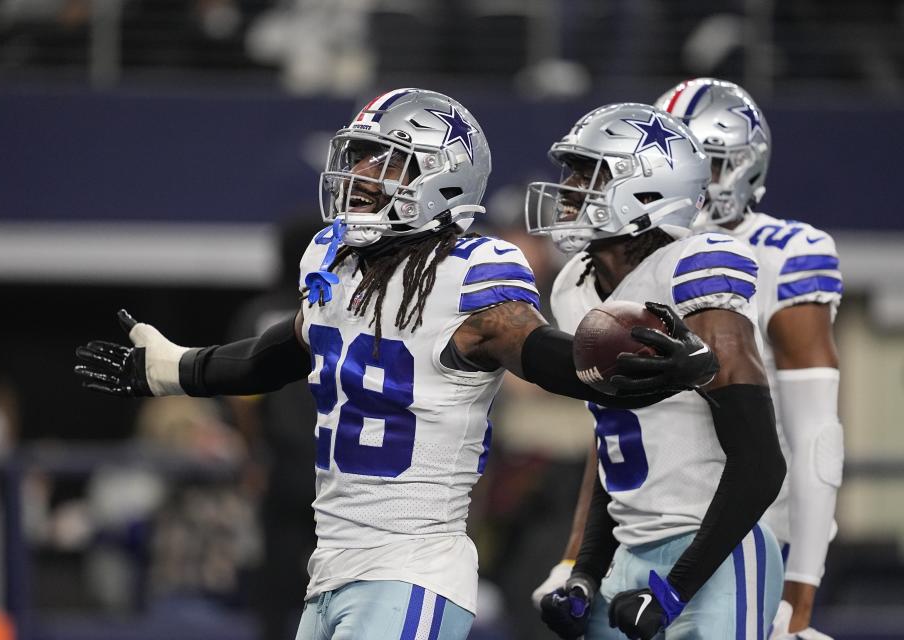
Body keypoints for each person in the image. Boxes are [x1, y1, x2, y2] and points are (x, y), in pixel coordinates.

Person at [74, 88, 718, 640]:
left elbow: (538, 350)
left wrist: (621, 363)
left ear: (439, 178)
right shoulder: (338, 263)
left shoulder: (469, 276)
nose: (357, 174)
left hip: (412, 567)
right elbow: (282, 352)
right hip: (332, 565)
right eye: (356, 158)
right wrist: (174, 369)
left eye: (382, 162)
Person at [525, 102, 786, 639]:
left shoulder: (695, 267)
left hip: (717, 554)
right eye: (571, 171)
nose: (569, 187)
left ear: (646, 191)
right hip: (629, 548)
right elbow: (615, 446)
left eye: (588, 173)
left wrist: (676, 587)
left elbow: (761, 462)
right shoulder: (574, 286)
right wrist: (586, 572)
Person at [656, 78, 844, 640]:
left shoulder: (787, 254)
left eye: (707, 165)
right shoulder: (646, 253)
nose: (691, 183)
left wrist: (801, 587)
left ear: (744, 167)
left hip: (757, 528)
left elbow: (816, 435)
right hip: (654, 524)